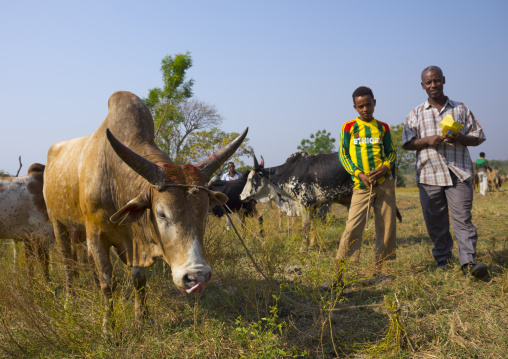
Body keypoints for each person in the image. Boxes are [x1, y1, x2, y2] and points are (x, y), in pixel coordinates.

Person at [402, 65, 488, 278]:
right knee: (435, 220)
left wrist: (460, 138)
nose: (433, 85)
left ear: (443, 80)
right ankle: (442, 258)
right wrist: (427, 140)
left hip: (458, 172)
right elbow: (407, 143)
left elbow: (478, 137)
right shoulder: (416, 113)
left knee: (463, 219)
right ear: (423, 86)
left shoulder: (461, 109)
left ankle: (468, 262)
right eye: (428, 82)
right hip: (429, 174)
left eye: (436, 80)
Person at [323, 86, 397, 290]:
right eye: (361, 106)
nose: (365, 109)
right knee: (352, 229)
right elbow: (343, 155)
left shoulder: (383, 127)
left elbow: (391, 153)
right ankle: (337, 276)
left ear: (375, 103)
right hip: (361, 186)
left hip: (385, 185)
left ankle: (380, 272)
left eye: (368, 104)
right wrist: (359, 174)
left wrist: (385, 167)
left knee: (386, 228)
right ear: (355, 107)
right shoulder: (348, 128)